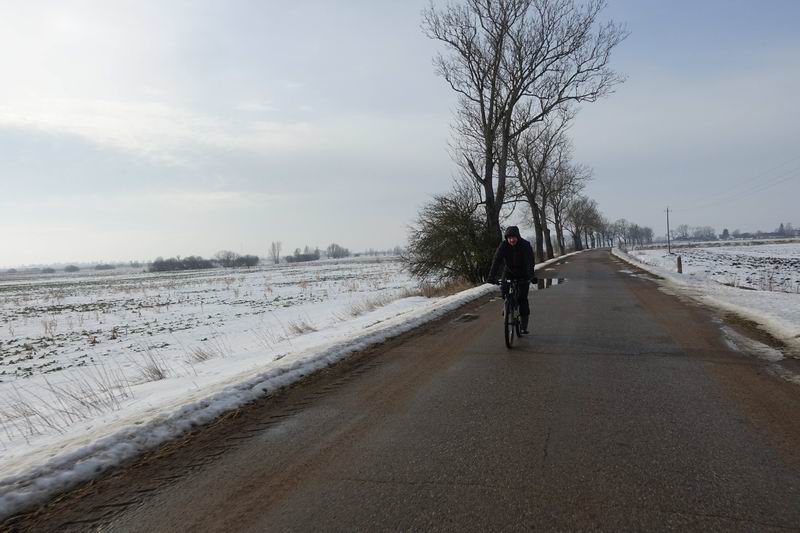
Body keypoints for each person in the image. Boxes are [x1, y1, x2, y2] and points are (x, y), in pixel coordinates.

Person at [488, 226, 536, 334]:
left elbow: (530, 262)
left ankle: (523, 326)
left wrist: (531, 276)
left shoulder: (525, 245)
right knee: (504, 290)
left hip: (523, 273)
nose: (511, 240)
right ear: (506, 238)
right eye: (509, 238)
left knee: (522, 299)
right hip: (509, 273)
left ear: (518, 236)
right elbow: (496, 260)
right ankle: (507, 305)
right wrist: (491, 276)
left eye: (513, 237)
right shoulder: (503, 245)